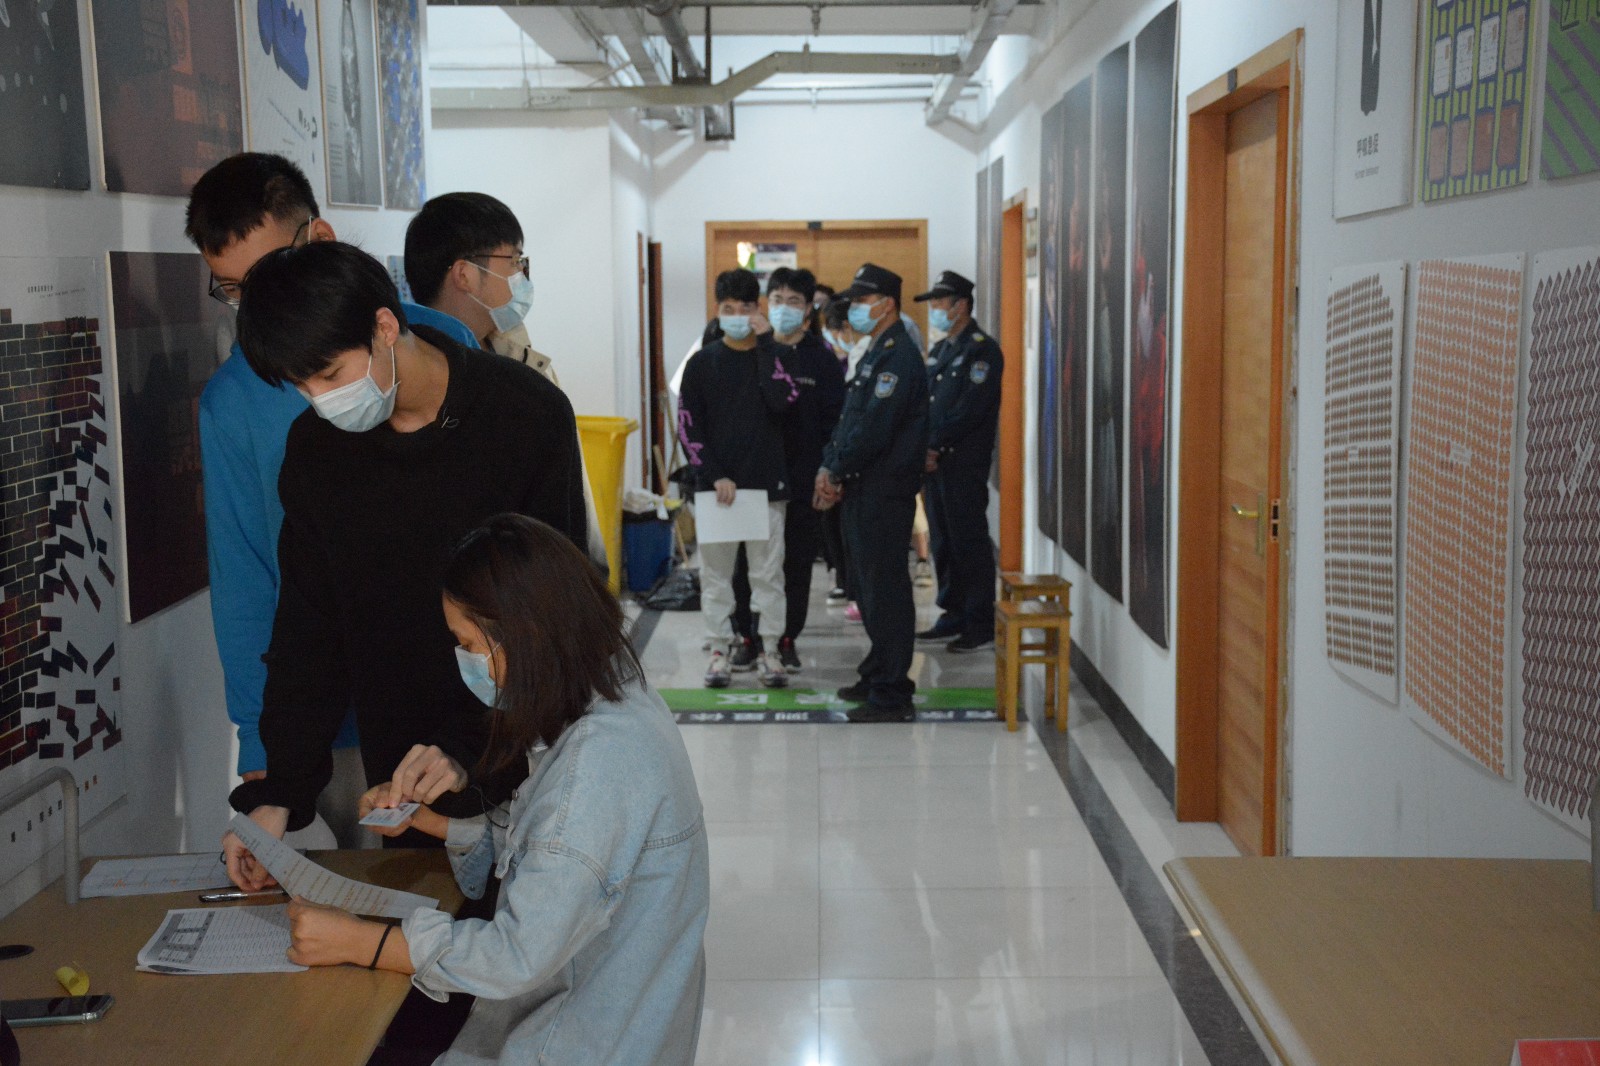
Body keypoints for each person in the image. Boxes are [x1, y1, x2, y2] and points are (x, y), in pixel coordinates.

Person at [281, 514, 709, 1066]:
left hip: (570, 1044)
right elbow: (568, 853)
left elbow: (515, 954)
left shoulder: (597, 764)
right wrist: (445, 826)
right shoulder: (618, 695)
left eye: (467, 643)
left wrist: (363, 943)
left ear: (523, 635)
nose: (465, 661)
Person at [221, 241, 588, 881]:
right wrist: (282, 790)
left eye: (329, 375)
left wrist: (465, 748)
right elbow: (308, 628)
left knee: (530, 920)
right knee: (423, 920)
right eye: (302, 386)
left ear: (386, 327)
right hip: (400, 769)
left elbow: (554, 617)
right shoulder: (317, 452)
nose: (321, 400)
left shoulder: (524, 416)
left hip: (527, 747)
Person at [190, 153, 479, 849]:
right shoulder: (233, 402)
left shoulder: (442, 343)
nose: (260, 305)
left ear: (319, 239)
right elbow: (246, 581)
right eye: (233, 291)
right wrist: (262, 747)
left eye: (267, 274)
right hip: (322, 719)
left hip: (459, 698)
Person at [404, 191, 608, 574]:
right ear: (464, 274)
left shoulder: (520, 359)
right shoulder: (415, 379)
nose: (522, 275)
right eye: (513, 261)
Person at [814, 264, 929, 722]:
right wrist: (831, 464)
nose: (855, 309)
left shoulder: (899, 357)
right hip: (863, 488)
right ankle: (879, 668)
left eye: (863, 301)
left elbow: (876, 429)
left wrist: (837, 468)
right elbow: (851, 419)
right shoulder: (876, 352)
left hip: (885, 490)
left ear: (888, 304)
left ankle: (893, 691)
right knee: (866, 586)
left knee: (886, 591)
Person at [677, 269, 798, 689]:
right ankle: (718, 650)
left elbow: (783, 402)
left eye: (745, 308)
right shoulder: (701, 363)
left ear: (757, 310)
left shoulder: (776, 356)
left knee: (769, 575)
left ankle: (770, 650)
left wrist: (765, 345)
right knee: (716, 577)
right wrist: (713, 475)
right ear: (717, 310)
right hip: (718, 492)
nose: (737, 316)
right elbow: (688, 426)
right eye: (728, 309)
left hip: (766, 487)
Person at [727, 268, 846, 671]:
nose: (783, 308)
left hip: (801, 478)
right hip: (752, 478)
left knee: (795, 563)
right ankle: (747, 637)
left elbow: (835, 422)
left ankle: (786, 637)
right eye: (777, 300)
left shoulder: (822, 359)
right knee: (746, 564)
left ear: (809, 309)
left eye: (794, 301)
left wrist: (828, 471)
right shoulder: (748, 349)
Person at [914, 270, 1005, 652]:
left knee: (968, 541)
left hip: (962, 463)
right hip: (933, 464)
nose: (934, 309)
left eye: (939, 302)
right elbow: (927, 403)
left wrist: (936, 446)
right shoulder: (941, 350)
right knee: (943, 540)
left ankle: (979, 622)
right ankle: (952, 613)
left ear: (961, 305)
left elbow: (970, 408)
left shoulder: (982, 350)